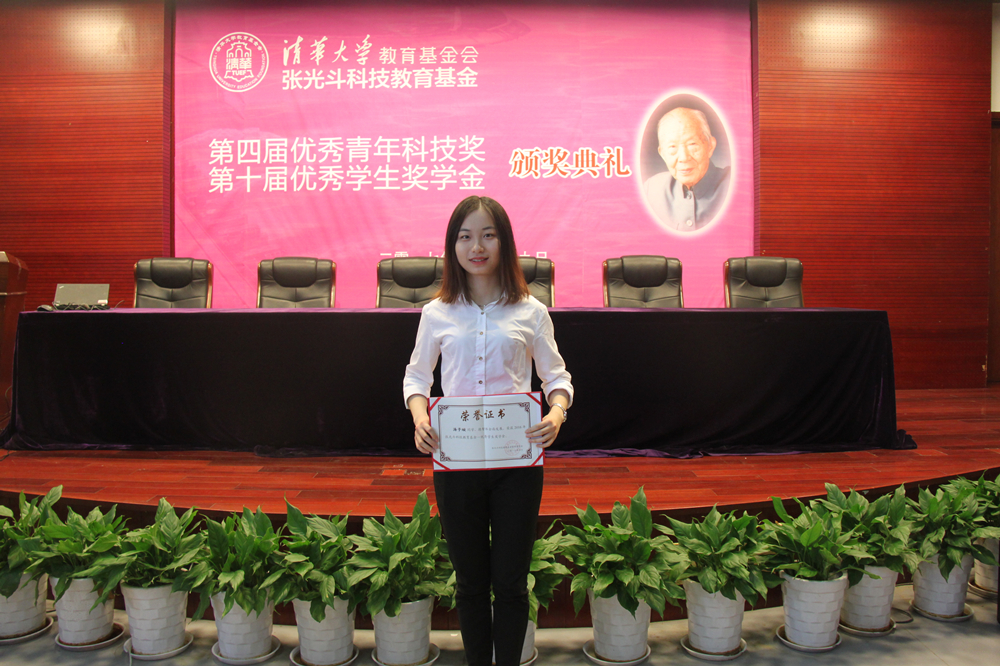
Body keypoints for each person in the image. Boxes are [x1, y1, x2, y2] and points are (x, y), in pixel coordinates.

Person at [403, 195, 573, 666]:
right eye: (465, 236)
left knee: (512, 584)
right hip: (456, 463)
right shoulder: (436, 313)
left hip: (517, 462)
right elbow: (417, 377)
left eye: (487, 235)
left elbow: (556, 377)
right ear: (452, 246)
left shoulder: (531, 311)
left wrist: (556, 413)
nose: (476, 247)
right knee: (470, 584)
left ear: (505, 242)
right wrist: (420, 417)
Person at [643, 106, 731, 231]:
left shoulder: (733, 184)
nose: (684, 158)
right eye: (672, 147)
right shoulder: (651, 189)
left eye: (692, 144)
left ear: (710, 146)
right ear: (662, 154)